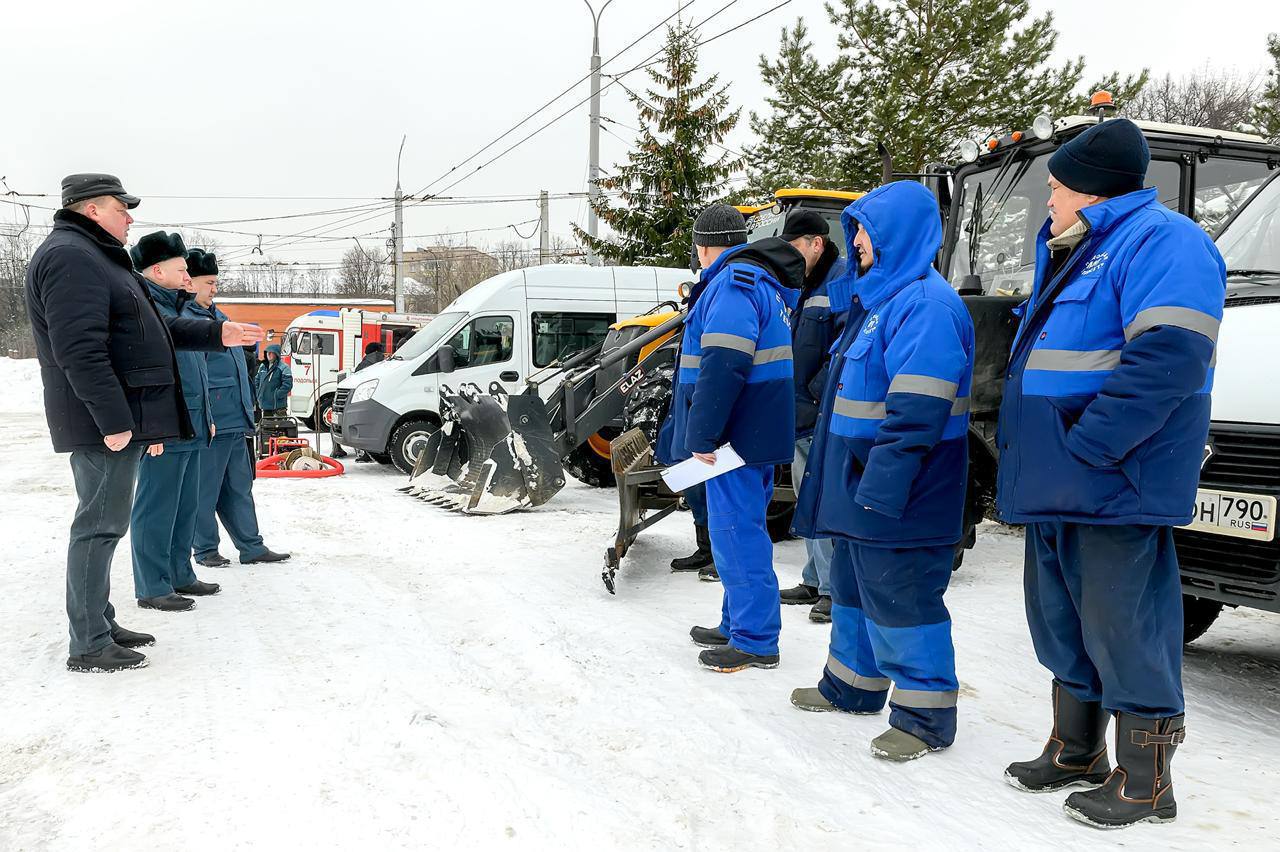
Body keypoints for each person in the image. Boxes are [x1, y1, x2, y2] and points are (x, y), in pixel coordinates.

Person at [997, 119, 1224, 828]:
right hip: (1061, 474)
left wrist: (1093, 445)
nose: (1049, 201)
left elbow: (1170, 357)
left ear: (1091, 190)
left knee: (1125, 625)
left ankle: (1147, 780)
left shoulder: (1163, 241)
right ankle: (1077, 750)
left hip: (1112, 476)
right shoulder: (1081, 249)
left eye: (1056, 188)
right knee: (1060, 617)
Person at [25, 174, 262, 672]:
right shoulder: (72, 256)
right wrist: (113, 419)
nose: (130, 217)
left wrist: (218, 333)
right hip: (101, 420)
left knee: (105, 525)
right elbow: (79, 349)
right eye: (121, 208)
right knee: (99, 527)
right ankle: (89, 643)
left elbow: (153, 329)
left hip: (109, 417)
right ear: (92, 209)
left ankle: (100, 622)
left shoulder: (96, 256)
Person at [789, 181, 975, 762]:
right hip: (860, 479)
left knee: (902, 597)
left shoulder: (927, 307)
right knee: (851, 589)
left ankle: (924, 716)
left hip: (902, 488)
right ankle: (851, 686)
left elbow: (917, 413)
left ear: (899, 234)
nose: (856, 242)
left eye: (865, 231)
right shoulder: (880, 301)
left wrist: (882, 486)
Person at [672, 203, 804, 673]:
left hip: (733, 439)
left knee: (737, 533)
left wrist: (703, 433)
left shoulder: (733, 284)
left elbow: (724, 364)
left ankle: (755, 639)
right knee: (738, 531)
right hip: (750, 433)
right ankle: (737, 623)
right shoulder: (756, 282)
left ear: (704, 246)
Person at [129, 232, 224, 612]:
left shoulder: (179, 309)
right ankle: (152, 586)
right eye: (181, 269)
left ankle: (180, 573)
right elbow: (140, 373)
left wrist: (207, 416)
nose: (188, 276)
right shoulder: (144, 310)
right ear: (157, 271)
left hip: (192, 423)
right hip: (164, 429)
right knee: (156, 508)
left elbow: (197, 371)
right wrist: (150, 427)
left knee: (185, 506)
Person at [186, 249, 291, 569]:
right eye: (209, 283)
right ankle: (205, 549)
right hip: (212, 422)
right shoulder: (188, 322)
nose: (214, 289)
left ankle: (251, 546)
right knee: (205, 491)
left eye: (216, 283)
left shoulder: (220, 319)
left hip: (236, 420)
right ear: (190, 282)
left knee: (239, 488)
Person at [778, 210, 847, 624]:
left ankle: (832, 589)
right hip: (799, 412)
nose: (788, 255)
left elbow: (844, 345)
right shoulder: (801, 282)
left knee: (821, 498)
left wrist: (816, 393)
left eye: (794, 247)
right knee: (806, 496)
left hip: (820, 411)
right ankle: (814, 578)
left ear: (816, 244)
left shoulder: (841, 281)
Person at [333, 341, 386, 461]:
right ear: (377, 352)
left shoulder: (363, 364)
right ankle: (370, 453)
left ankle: (360, 453)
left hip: (363, 398)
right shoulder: (383, 363)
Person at [255, 344, 292, 417]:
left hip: (278, 407)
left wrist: (276, 395)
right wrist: (258, 393)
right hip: (265, 406)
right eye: (267, 352)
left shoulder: (284, 367)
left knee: (279, 424)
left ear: (276, 354)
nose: (268, 354)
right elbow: (257, 381)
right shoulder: (263, 366)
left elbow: (287, 385)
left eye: (271, 352)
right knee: (266, 424)